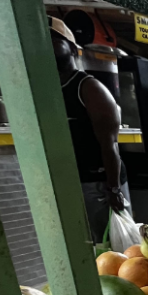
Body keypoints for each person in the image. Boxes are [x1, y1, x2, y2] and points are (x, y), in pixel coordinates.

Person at [49, 17, 127, 241]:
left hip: (98, 184)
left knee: (112, 245)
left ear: (72, 48)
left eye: (54, 40)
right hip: (69, 180)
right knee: (84, 244)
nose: (46, 46)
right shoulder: (50, 89)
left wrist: (113, 189)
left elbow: (109, 144)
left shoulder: (89, 87)